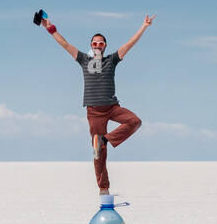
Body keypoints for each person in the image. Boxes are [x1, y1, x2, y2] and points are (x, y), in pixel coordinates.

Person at [38, 14, 154, 195]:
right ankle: (103, 187)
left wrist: (144, 26)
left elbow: (130, 44)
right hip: (94, 112)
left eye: (101, 43)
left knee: (134, 121)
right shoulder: (84, 60)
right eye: (94, 43)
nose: (97, 45)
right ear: (91, 46)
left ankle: (104, 140)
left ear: (105, 46)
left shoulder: (112, 60)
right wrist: (49, 28)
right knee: (98, 153)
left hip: (112, 107)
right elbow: (65, 44)